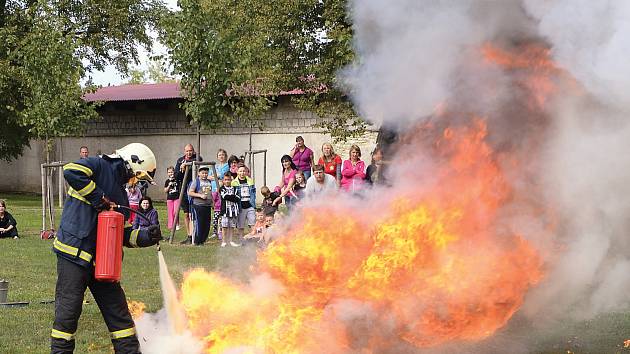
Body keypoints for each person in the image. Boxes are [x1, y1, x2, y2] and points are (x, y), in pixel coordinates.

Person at [51, 143, 162, 354]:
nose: (135, 183)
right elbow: (71, 171)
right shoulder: (98, 165)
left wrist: (148, 235)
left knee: (118, 314)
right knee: (68, 313)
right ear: (130, 164)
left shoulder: (120, 195)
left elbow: (123, 234)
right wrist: (98, 197)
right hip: (73, 256)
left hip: (102, 262)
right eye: (137, 177)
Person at [175, 144, 202, 245]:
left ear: (193, 151)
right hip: (183, 190)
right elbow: (176, 174)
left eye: (190, 151)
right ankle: (189, 235)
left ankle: (196, 234)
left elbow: (198, 161)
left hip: (194, 189)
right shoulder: (179, 160)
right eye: (187, 151)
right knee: (186, 214)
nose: (189, 153)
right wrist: (182, 167)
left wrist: (186, 165)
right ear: (184, 151)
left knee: (193, 214)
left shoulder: (197, 157)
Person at [187, 166, 213, 245]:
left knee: (207, 224)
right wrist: (200, 195)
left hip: (207, 206)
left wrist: (212, 203)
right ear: (199, 173)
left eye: (206, 173)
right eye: (203, 173)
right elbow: (190, 192)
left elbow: (210, 193)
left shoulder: (209, 182)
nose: (204, 175)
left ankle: (203, 240)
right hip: (198, 205)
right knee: (199, 223)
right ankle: (197, 241)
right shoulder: (196, 181)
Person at [232, 165, 256, 244]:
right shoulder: (234, 182)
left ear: (246, 172)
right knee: (241, 225)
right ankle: (241, 240)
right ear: (237, 172)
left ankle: (253, 238)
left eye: (243, 171)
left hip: (250, 205)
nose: (242, 173)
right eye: (240, 171)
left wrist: (253, 203)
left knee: (252, 223)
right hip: (240, 206)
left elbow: (253, 193)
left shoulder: (250, 181)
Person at [219, 172, 241, 247]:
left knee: (232, 226)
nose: (227, 181)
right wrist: (232, 197)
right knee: (224, 226)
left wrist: (231, 197)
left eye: (229, 179)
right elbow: (225, 197)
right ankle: (224, 241)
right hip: (225, 211)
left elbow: (238, 198)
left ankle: (231, 240)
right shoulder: (222, 189)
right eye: (225, 180)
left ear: (231, 180)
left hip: (233, 211)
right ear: (223, 181)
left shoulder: (235, 189)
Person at [163, 166, 180, 231]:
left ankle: (177, 224)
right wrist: (169, 185)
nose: (170, 173)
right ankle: (171, 226)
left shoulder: (177, 179)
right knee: (170, 212)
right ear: (167, 173)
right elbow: (165, 191)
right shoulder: (167, 181)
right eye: (169, 172)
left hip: (176, 198)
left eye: (172, 172)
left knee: (176, 211)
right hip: (169, 198)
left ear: (174, 172)